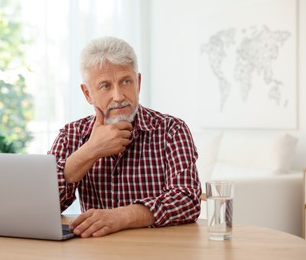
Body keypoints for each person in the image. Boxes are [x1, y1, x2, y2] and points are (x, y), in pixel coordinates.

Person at [48, 36, 201, 238]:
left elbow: (187, 199)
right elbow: (43, 205)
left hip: (159, 249)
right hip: (96, 250)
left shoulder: (172, 130)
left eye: (126, 81)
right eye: (105, 86)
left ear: (138, 82)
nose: (119, 96)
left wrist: (121, 217)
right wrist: (90, 150)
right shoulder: (71, 135)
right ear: (87, 93)